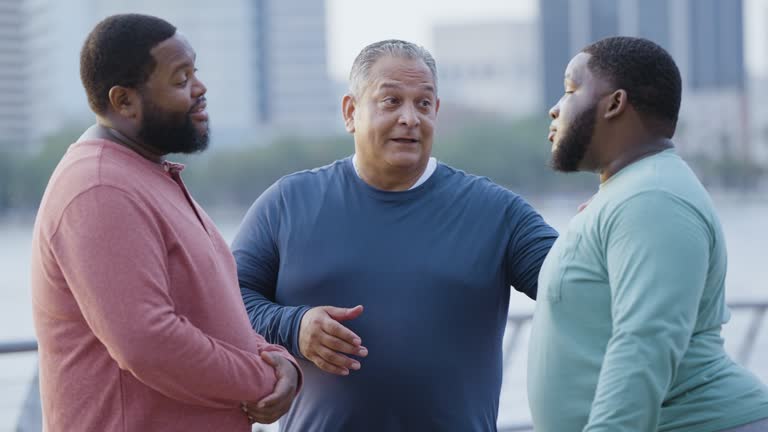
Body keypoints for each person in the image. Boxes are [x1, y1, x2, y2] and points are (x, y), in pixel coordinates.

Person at [231, 39, 558, 431]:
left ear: (436, 112)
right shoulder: (287, 203)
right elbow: (225, 301)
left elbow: (577, 283)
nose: (410, 118)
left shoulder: (497, 212)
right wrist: (293, 326)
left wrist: (605, 220)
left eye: (423, 104)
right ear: (351, 112)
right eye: (391, 101)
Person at [30, 14, 300, 431]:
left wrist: (279, 360)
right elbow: (148, 342)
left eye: (195, 72)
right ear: (124, 102)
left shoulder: (146, 174)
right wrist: (263, 377)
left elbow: (210, 315)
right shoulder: (100, 188)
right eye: (180, 79)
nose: (200, 88)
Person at [528, 36, 768, 432]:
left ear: (615, 104)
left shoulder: (652, 197)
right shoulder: (631, 192)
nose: (555, 108)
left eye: (571, 89)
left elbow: (645, 344)